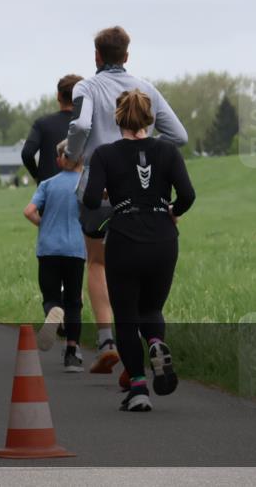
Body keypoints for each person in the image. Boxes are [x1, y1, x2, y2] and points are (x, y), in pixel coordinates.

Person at [66, 25, 188, 374]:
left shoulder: (86, 87)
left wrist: (74, 155)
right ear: (127, 56)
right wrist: (151, 152)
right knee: (141, 276)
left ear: (96, 56)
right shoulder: (145, 88)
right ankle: (144, 346)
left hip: (99, 189)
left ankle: (107, 340)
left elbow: (80, 126)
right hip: (142, 195)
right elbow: (179, 134)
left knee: (98, 264)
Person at [83, 89, 195, 412]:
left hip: (124, 238)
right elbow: (188, 195)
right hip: (163, 239)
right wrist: (172, 210)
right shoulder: (168, 151)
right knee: (152, 309)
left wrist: (110, 193)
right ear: (150, 118)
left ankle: (138, 388)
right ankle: (156, 343)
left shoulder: (105, 154)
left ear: (118, 118)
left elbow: (90, 199)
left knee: (126, 317)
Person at [22, 140, 87, 372]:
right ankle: (71, 354)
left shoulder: (48, 184)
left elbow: (28, 211)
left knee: (51, 296)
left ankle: (53, 313)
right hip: (75, 249)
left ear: (61, 160)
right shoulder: (85, 185)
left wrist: (43, 223)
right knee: (74, 302)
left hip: (48, 249)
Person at [22, 74, 83, 184]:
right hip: (81, 187)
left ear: (58, 96)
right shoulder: (89, 125)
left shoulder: (42, 124)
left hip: (49, 188)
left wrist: (37, 177)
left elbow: (27, 153)